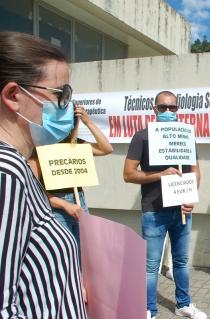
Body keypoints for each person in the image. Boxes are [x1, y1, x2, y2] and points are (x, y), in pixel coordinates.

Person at [0, 31, 86, 318]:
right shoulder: (6, 172)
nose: (67, 105)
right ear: (14, 95)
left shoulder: (18, 166)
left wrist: (68, 289)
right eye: (60, 94)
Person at [123, 90, 206, 319]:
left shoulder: (185, 136)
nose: (168, 112)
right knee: (151, 266)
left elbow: (196, 171)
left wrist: (191, 197)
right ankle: (149, 310)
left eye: (173, 108)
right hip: (154, 211)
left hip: (181, 210)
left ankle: (183, 305)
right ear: (154, 109)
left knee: (180, 262)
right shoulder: (142, 137)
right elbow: (129, 175)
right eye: (163, 108)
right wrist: (160, 174)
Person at [28, 104, 113, 248]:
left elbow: (106, 148)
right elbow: (33, 187)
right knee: (63, 252)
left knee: (83, 253)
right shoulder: (41, 147)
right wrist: (64, 204)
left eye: (74, 120)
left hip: (79, 202)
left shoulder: (75, 144)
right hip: (56, 206)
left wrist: (88, 122)